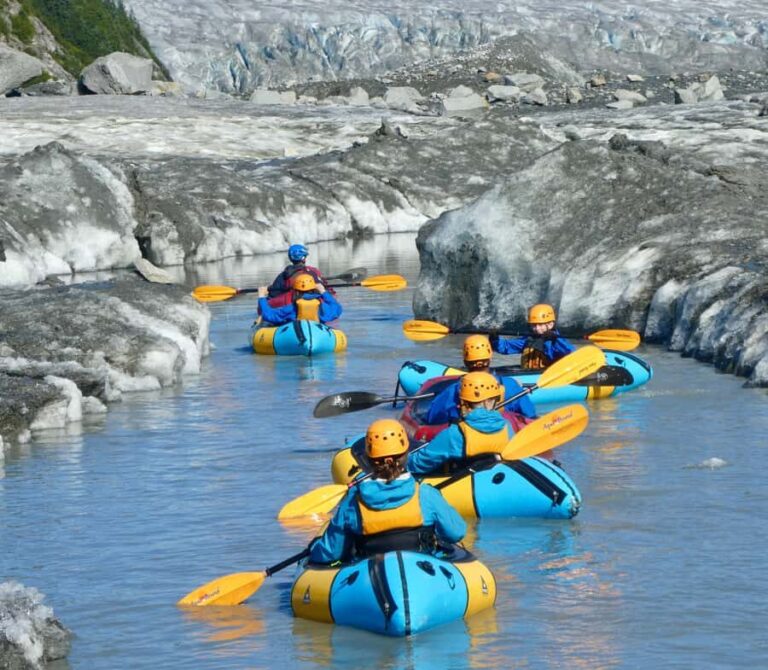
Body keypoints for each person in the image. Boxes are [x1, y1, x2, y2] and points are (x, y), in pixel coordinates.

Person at [309, 419, 467, 564]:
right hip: (422, 570)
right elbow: (456, 533)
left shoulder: (354, 501)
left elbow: (330, 553)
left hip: (370, 573)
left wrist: (314, 548)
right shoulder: (426, 494)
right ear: (406, 455)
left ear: (367, 460)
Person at [408, 372, 516, 476]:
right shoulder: (508, 427)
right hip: (495, 480)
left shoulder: (454, 434)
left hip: (461, 484)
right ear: (495, 400)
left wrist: (403, 460)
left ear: (463, 403)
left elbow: (419, 464)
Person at [425, 334, 536, 425]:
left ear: (465, 361)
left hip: (466, 439)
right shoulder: (511, 385)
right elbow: (530, 415)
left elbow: (431, 418)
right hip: (503, 437)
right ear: (490, 357)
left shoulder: (454, 390)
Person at [490, 303, 575, 369]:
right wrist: (494, 338)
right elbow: (506, 347)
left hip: (546, 377)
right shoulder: (529, 339)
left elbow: (570, 352)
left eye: (540, 325)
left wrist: (555, 340)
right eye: (534, 325)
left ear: (550, 324)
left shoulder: (555, 341)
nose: (536, 328)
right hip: (527, 375)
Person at [257, 273, 342, 325]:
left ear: (295, 291)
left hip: (296, 334)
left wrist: (262, 297)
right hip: (318, 332)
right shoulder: (323, 307)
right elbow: (337, 308)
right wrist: (323, 291)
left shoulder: (291, 308)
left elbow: (268, 315)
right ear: (314, 289)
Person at [267, 244, 334, 302]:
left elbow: (273, 295)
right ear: (304, 259)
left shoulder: (283, 275)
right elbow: (325, 289)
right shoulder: (313, 272)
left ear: (290, 258)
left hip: (292, 305)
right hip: (313, 305)